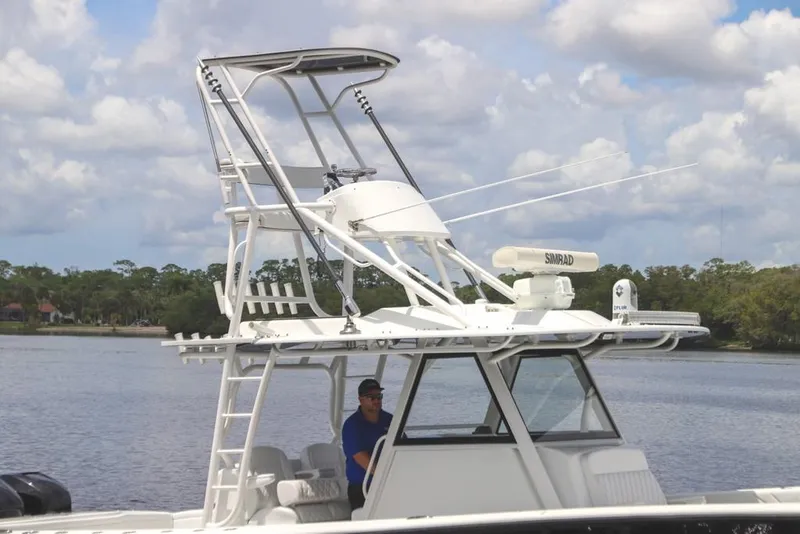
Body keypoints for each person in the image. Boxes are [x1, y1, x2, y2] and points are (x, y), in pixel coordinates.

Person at [341, 378, 393, 511]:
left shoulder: (391, 419)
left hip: (388, 484)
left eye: (379, 396)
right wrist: (382, 475)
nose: (376, 400)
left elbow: (401, 446)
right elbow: (359, 456)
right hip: (362, 487)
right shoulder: (352, 425)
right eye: (371, 397)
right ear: (361, 399)